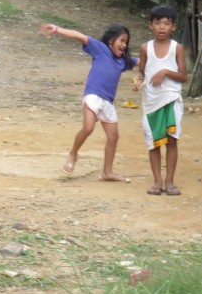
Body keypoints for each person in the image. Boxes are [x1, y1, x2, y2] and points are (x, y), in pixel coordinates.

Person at [41, 21, 136, 181]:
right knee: (88, 127)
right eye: (122, 40)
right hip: (93, 95)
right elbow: (79, 36)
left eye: (126, 42)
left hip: (108, 103)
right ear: (111, 40)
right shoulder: (100, 49)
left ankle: (107, 172)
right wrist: (57, 29)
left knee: (113, 137)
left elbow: (144, 61)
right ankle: (73, 154)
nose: (124, 45)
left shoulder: (123, 61)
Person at [134, 4, 188, 196]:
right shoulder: (145, 48)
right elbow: (141, 72)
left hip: (171, 99)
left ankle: (170, 181)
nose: (162, 27)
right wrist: (138, 82)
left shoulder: (177, 48)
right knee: (153, 143)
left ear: (173, 26)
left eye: (166, 23)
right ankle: (157, 181)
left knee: (171, 141)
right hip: (150, 103)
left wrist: (164, 71)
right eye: (158, 23)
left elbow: (183, 76)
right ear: (151, 25)